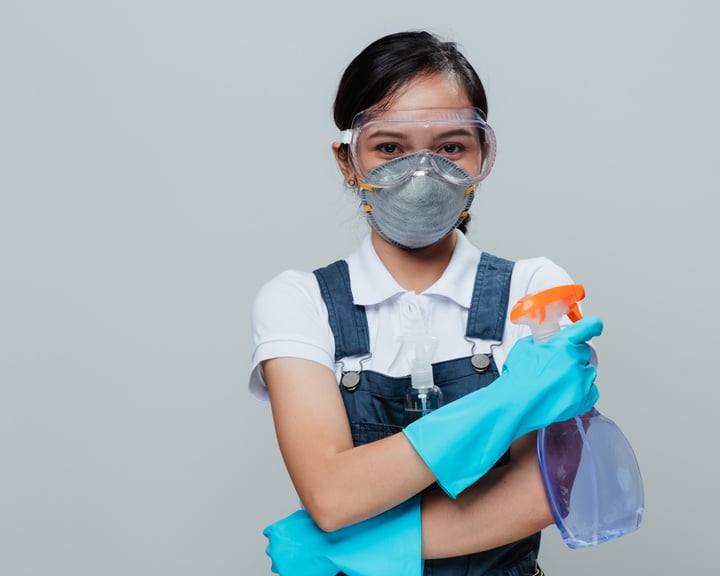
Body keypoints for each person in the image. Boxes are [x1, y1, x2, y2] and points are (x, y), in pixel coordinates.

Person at [249, 30, 603, 576]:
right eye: (389, 147)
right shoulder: (300, 301)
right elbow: (333, 494)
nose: (421, 174)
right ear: (349, 161)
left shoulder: (536, 288)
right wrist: (504, 403)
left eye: (450, 147)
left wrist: (358, 549)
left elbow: (547, 490)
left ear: (483, 154)